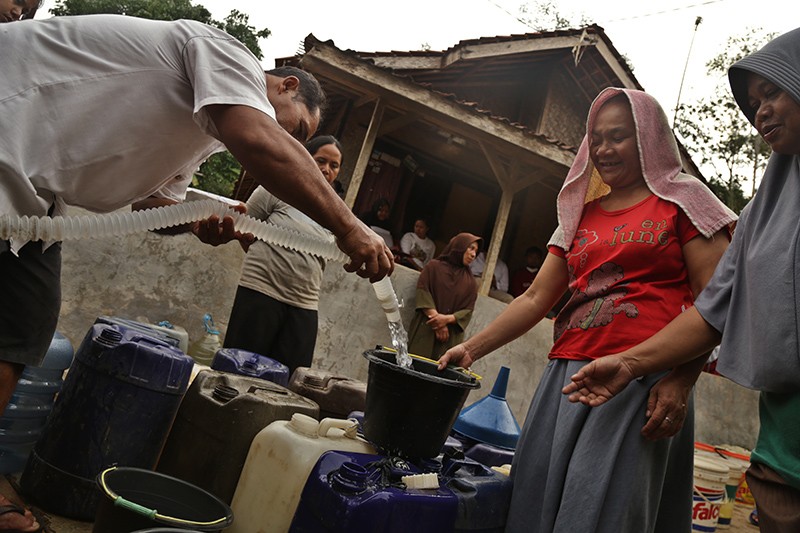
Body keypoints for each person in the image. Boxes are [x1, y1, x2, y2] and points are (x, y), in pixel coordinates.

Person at [0, 18, 393, 531]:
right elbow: (256, 137)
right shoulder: (228, 55)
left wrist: (196, 223)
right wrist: (350, 227)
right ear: (287, 85)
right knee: (17, 320)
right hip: (9, 129)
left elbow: (151, 206)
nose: (289, 143)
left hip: (33, 193)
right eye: (295, 131)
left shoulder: (198, 136)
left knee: (25, 319)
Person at [438, 87, 736, 532]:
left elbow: (719, 302)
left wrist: (682, 378)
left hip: (639, 382)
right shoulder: (580, 213)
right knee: (535, 501)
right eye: (595, 138)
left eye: (617, 137)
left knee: (601, 514)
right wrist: (473, 348)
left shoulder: (685, 201)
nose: (602, 149)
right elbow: (537, 298)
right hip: (568, 378)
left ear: (649, 141)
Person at [564, 28, 800, 533]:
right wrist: (628, 363)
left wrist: (677, 379)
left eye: (773, 92)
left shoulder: (685, 206)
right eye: (753, 101)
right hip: (786, 452)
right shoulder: (766, 207)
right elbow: (715, 306)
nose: (759, 112)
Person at [224, 135, 343, 373]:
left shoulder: (336, 209)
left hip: (304, 303)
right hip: (260, 293)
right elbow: (243, 230)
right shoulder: (275, 188)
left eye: (334, 165)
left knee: (291, 380)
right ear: (306, 158)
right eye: (320, 160)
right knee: (240, 369)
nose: (326, 169)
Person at [408, 233, 481, 359]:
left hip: (449, 338)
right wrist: (438, 322)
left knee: (440, 372)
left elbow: (467, 311)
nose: (473, 255)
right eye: (471, 248)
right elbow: (423, 291)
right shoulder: (433, 267)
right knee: (415, 366)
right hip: (426, 328)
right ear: (459, 246)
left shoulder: (470, 282)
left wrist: (446, 320)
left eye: (476, 251)